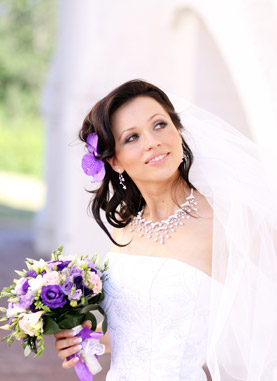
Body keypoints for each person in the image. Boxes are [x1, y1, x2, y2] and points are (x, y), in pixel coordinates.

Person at [54, 80, 277, 380]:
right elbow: (134, 338)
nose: (152, 141)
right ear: (115, 161)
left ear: (178, 131)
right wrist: (85, 341)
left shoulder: (227, 222)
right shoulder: (125, 226)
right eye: (132, 137)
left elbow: (264, 333)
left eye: (159, 125)